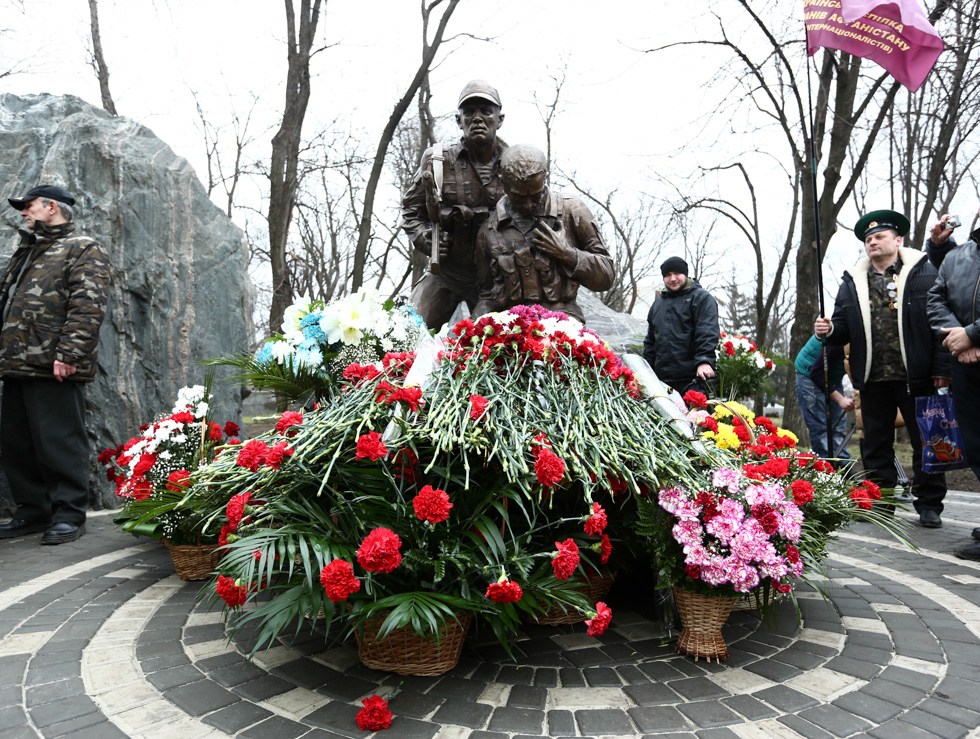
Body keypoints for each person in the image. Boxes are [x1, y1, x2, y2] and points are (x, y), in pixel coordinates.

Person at [814, 209, 949, 528]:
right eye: (868, 239)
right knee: (874, 444)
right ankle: (879, 502)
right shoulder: (852, 280)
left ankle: (929, 505)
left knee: (926, 442)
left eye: (880, 236)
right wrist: (829, 330)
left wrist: (942, 369)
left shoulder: (924, 272)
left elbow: (940, 324)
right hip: (872, 377)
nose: (873, 241)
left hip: (916, 377)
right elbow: (842, 325)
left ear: (898, 239)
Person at [0, 184, 110, 545]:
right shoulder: (29, 249)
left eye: (28, 206)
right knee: (18, 442)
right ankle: (34, 511)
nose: (23, 212)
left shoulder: (82, 247)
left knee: (59, 441)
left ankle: (69, 513)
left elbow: (87, 305)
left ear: (51, 207)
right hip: (16, 362)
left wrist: (69, 354)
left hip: (53, 364)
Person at [402, 80, 509, 330]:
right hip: (446, 275)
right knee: (407, 335)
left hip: (496, 281)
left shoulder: (516, 164)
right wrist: (424, 236)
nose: (477, 118)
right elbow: (410, 210)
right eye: (469, 112)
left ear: (500, 119)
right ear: (458, 120)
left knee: (504, 350)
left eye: (486, 111)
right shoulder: (438, 161)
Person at [473, 144, 613, 323]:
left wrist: (566, 254)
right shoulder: (489, 232)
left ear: (545, 178)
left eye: (536, 195)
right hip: (512, 330)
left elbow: (606, 276)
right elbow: (487, 296)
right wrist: (470, 330)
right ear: (503, 183)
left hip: (564, 325)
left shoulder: (572, 211)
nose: (529, 204)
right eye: (519, 197)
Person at [926, 206, 980, 560]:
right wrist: (958, 340)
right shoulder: (959, 256)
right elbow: (936, 299)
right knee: (976, 446)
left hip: (970, 348)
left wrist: (974, 335)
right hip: (966, 364)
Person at [642, 256, 719, 396]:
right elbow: (650, 342)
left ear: (685, 274)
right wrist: (646, 372)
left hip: (693, 378)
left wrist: (704, 361)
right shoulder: (657, 305)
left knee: (694, 418)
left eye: (677, 274)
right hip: (662, 381)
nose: (672, 279)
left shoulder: (701, 299)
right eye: (668, 275)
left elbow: (707, 331)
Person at [794, 335, 853, 460]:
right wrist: (840, 399)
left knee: (838, 427)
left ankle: (842, 465)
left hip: (832, 377)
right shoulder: (839, 339)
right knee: (820, 428)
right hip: (810, 375)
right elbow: (816, 373)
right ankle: (826, 468)